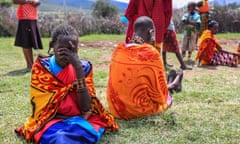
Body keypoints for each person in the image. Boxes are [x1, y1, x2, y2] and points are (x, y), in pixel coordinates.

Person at [15, 24, 118, 144]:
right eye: (63, 50)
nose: (67, 55)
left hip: (81, 118)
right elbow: (42, 108)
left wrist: (78, 70)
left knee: (85, 130)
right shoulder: (42, 68)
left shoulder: (84, 68)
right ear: (52, 45)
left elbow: (86, 107)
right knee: (60, 138)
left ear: (77, 49)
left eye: (72, 50)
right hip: (51, 120)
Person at [106, 16, 183, 120]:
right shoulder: (150, 53)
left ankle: (172, 82)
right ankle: (174, 83)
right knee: (167, 98)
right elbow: (160, 96)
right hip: (139, 110)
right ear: (150, 32)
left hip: (116, 108)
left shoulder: (118, 50)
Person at [13, 0, 43, 70]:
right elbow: (15, 1)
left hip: (33, 18)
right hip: (24, 17)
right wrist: (28, 1)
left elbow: (38, 2)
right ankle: (29, 65)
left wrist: (36, 2)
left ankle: (31, 64)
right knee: (26, 43)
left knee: (30, 42)